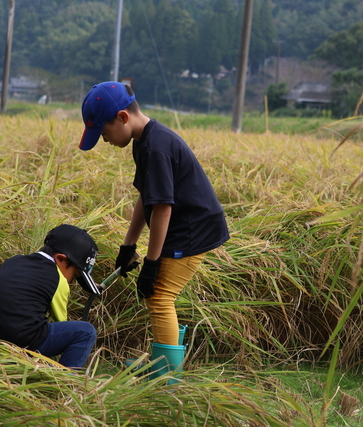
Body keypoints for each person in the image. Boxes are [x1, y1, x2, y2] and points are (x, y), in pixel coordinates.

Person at [78, 82, 229, 376]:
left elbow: (163, 208)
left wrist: (151, 262)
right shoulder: (144, 141)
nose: (105, 141)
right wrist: (128, 246)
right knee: (159, 295)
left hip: (191, 228)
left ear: (122, 117)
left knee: (160, 296)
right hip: (183, 224)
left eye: (104, 133)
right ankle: (162, 363)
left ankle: (166, 376)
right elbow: (147, 197)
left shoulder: (156, 147)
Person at [0, 224, 99, 369]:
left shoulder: (13, 261)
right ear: (61, 259)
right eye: (75, 275)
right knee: (85, 332)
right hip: (21, 341)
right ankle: (66, 382)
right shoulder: (59, 279)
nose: (71, 281)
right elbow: (61, 322)